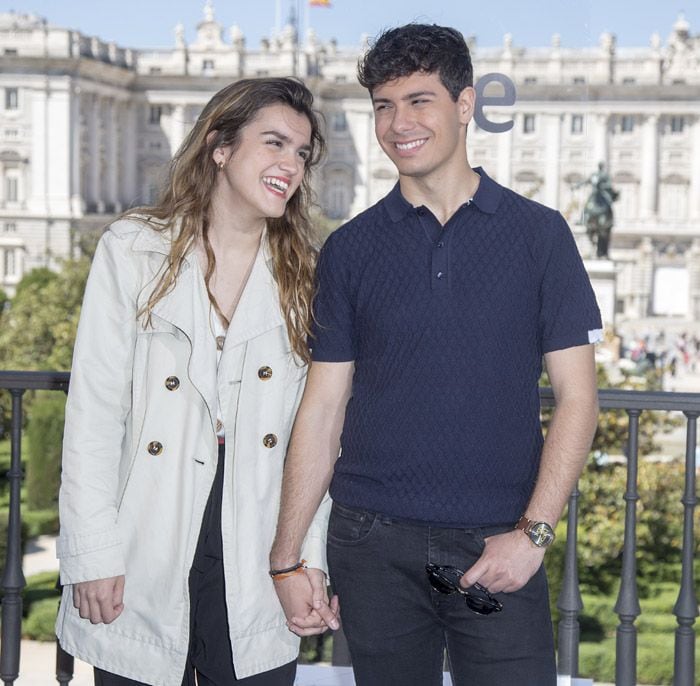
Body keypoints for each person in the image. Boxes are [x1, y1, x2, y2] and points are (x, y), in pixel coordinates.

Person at [270, 24, 602, 686]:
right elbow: (323, 407)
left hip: (497, 541)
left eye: (419, 100)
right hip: (370, 545)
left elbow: (578, 398)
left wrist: (533, 534)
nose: (399, 124)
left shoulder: (539, 235)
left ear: (466, 104)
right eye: (383, 106)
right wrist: (286, 559)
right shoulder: (350, 249)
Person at [56, 77, 338, 686]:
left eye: (301, 153)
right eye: (274, 143)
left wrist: (307, 560)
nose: (289, 165)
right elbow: (95, 416)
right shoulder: (132, 250)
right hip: (149, 538)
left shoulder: (310, 274)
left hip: (257, 540)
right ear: (219, 146)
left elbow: (318, 437)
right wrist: (92, 554)